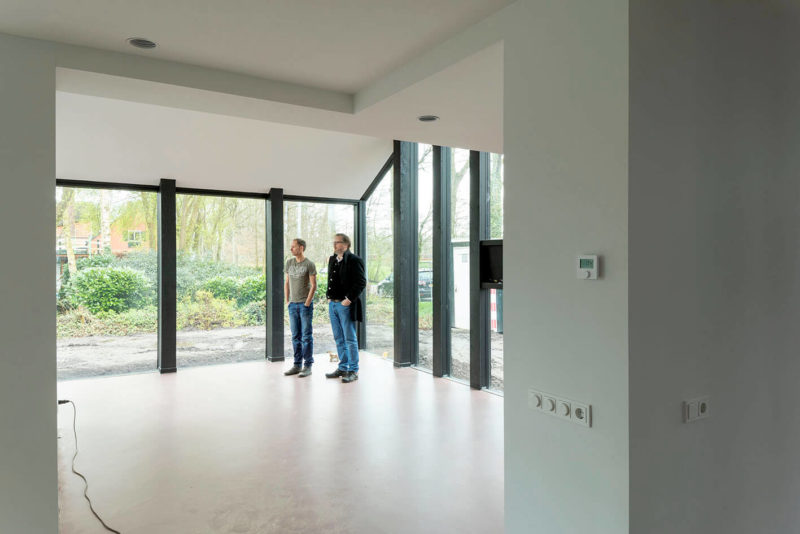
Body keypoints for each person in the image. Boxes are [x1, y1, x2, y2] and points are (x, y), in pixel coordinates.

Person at [325, 233, 366, 383]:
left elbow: (361, 282)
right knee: (338, 338)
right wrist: (328, 297)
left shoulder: (354, 260)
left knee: (350, 339)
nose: (336, 245)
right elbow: (331, 279)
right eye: (334, 242)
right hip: (333, 304)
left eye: (339, 242)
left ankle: (353, 370)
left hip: (345, 305)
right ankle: (343, 367)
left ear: (347, 244)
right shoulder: (332, 259)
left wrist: (348, 300)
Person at [283, 238, 317, 377]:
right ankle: (297, 365)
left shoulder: (309, 264)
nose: (291, 249)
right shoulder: (289, 263)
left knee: (306, 336)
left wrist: (307, 302)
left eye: (294, 246)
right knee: (295, 336)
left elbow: (313, 285)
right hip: (292, 305)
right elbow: (286, 283)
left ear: (301, 247)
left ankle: (308, 366)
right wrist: (287, 301)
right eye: (291, 246)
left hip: (304, 305)